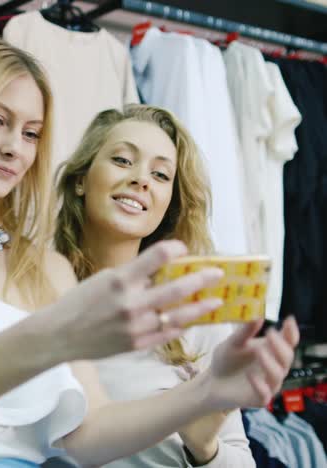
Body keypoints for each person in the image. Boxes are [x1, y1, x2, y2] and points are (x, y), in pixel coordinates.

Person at [0, 40, 298, 468]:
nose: (15, 147)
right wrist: (44, 340)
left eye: (31, 133)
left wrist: (206, 395)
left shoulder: (44, 272)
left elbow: (85, 437)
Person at [55, 104, 298, 467]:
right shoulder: (31, 290)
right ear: (81, 178)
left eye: (161, 174)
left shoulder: (193, 310)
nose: (142, 180)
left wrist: (204, 448)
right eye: (122, 160)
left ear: (168, 204)